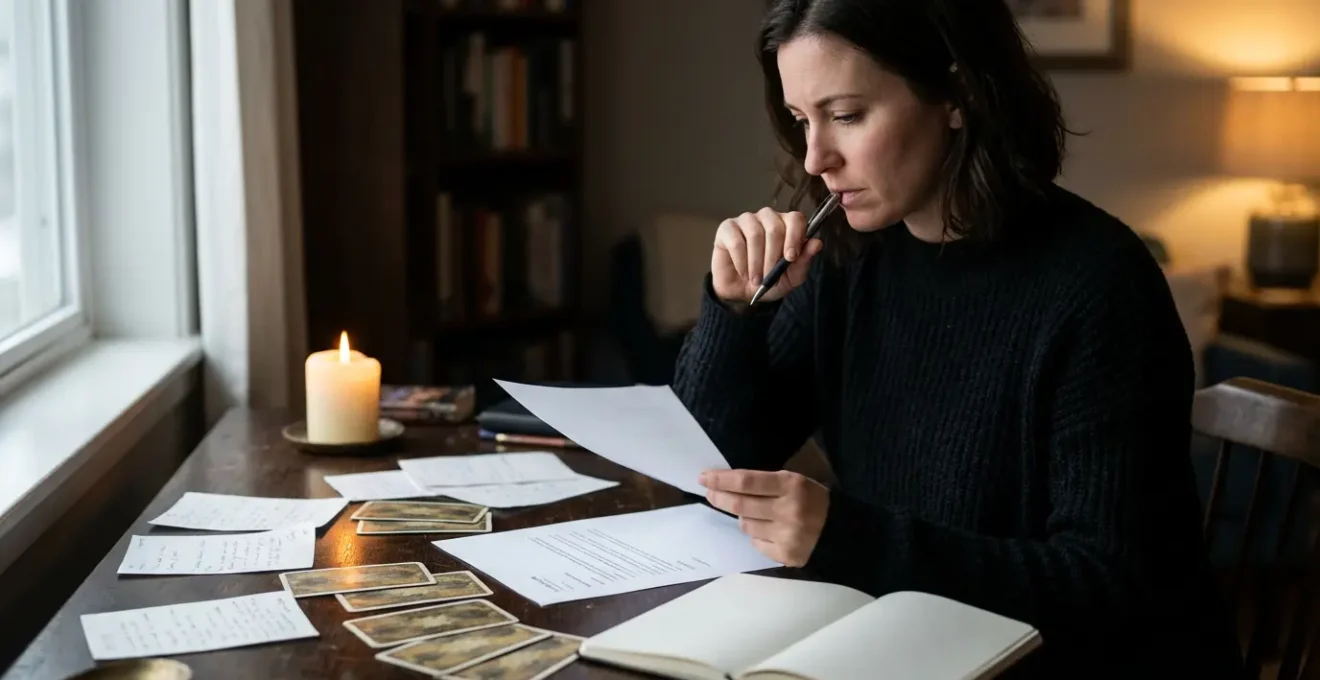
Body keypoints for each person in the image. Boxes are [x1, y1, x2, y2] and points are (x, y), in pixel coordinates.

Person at [673, 0, 1244, 676]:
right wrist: (736, 312)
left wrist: (847, 536)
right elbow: (711, 465)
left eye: (847, 116)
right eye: (802, 120)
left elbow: (1108, 586)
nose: (816, 157)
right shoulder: (852, 260)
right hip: (916, 648)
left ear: (957, 95)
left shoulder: (1098, 283)